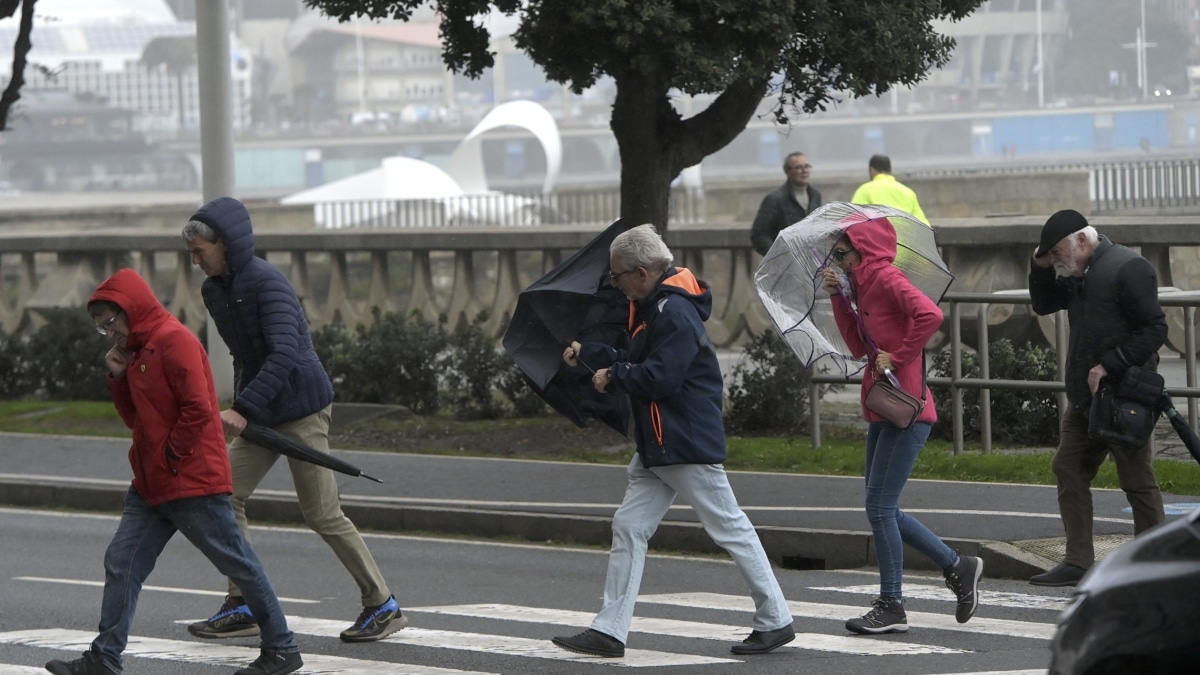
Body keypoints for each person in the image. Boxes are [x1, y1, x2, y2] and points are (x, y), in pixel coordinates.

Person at [551, 224, 795, 658]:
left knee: (729, 527)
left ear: (642, 273)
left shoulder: (671, 312)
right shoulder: (663, 309)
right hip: (666, 442)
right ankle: (609, 630)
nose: (616, 285)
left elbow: (660, 376)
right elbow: (643, 361)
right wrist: (592, 355)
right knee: (633, 526)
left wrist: (616, 375)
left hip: (681, 440)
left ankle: (775, 618)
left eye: (618, 277)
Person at [47, 268, 302, 675]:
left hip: (191, 481)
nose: (109, 333)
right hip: (152, 484)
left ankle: (282, 648)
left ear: (131, 308)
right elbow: (136, 420)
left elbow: (199, 409)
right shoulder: (139, 351)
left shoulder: (173, 341)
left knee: (238, 564)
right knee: (122, 562)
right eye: (102, 328)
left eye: (110, 323)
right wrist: (118, 378)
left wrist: (169, 458)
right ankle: (105, 657)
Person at [181, 197, 404, 642]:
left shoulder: (268, 283)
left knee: (321, 513)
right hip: (262, 412)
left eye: (200, 251)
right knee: (223, 494)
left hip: (302, 409)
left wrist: (242, 408)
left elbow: (285, 353)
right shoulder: (214, 291)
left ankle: (382, 604)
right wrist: (245, 404)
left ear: (225, 244)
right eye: (191, 253)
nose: (195, 260)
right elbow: (244, 354)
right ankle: (243, 600)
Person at [820, 218, 982, 634]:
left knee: (879, 508)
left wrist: (899, 355)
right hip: (883, 407)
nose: (837, 260)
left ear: (863, 250)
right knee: (881, 508)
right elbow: (858, 347)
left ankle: (893, 603)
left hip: (907, 410)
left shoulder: (886, 278)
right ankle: (958, 567)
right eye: (834, 255)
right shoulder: (862, 286)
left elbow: (929, 315)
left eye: (841, 254)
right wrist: (840, 296)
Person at [1027, 209, 1167, 587]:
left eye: (1058, 252)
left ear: (1083, 241)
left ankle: (1153, 563)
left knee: (1136, 480)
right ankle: (1077, 561)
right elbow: (1042, 304)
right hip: (1086, 399)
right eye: (1053, 255)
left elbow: (1155, 329)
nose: (1057, 260)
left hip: (1124, 397)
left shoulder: (1129, 268)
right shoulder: (1079, 275)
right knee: (1067, 467)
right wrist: (1039, 264)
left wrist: (1109, 364)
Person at [750, 151, 823, 255]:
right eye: (798, 167)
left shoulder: (815, 195)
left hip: (811, 260)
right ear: (787, 171)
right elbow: (758, 234)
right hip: (787, 264)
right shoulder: (775, 199)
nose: (804, 171)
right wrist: (777, 257)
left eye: (807, 166)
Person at [850, 154, 929, 225]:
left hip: (878, 239)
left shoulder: (865, 190)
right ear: (890, 171)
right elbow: (923, 223)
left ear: (872, 170)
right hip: (903, 239)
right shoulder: (908, 192)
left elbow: (853, 221)